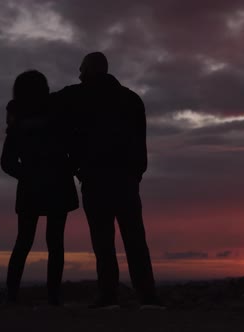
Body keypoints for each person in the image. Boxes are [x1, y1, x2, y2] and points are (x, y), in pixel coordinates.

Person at [55, 52, 161, 309]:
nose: (79, 74)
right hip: (123, 179)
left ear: (91, 70)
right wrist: (136, 173)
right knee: (133, 238)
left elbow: (46, 106)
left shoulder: (78, 96)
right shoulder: (131, 99)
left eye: (82, 69)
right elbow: (141, 143)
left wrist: (75, 165)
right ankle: (146, 296)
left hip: (98, 178)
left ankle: (109, 295)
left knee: (104, 242)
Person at [1, 70, 79, 306]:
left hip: (32, 187)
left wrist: (27, 175)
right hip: (57, 184)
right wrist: (68, 167)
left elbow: (7, 162)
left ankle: (11, 297)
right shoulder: (57, 114)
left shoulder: (18, 121)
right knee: (55, 242)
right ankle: (53, 298)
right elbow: (72, 147)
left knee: (24, 240)